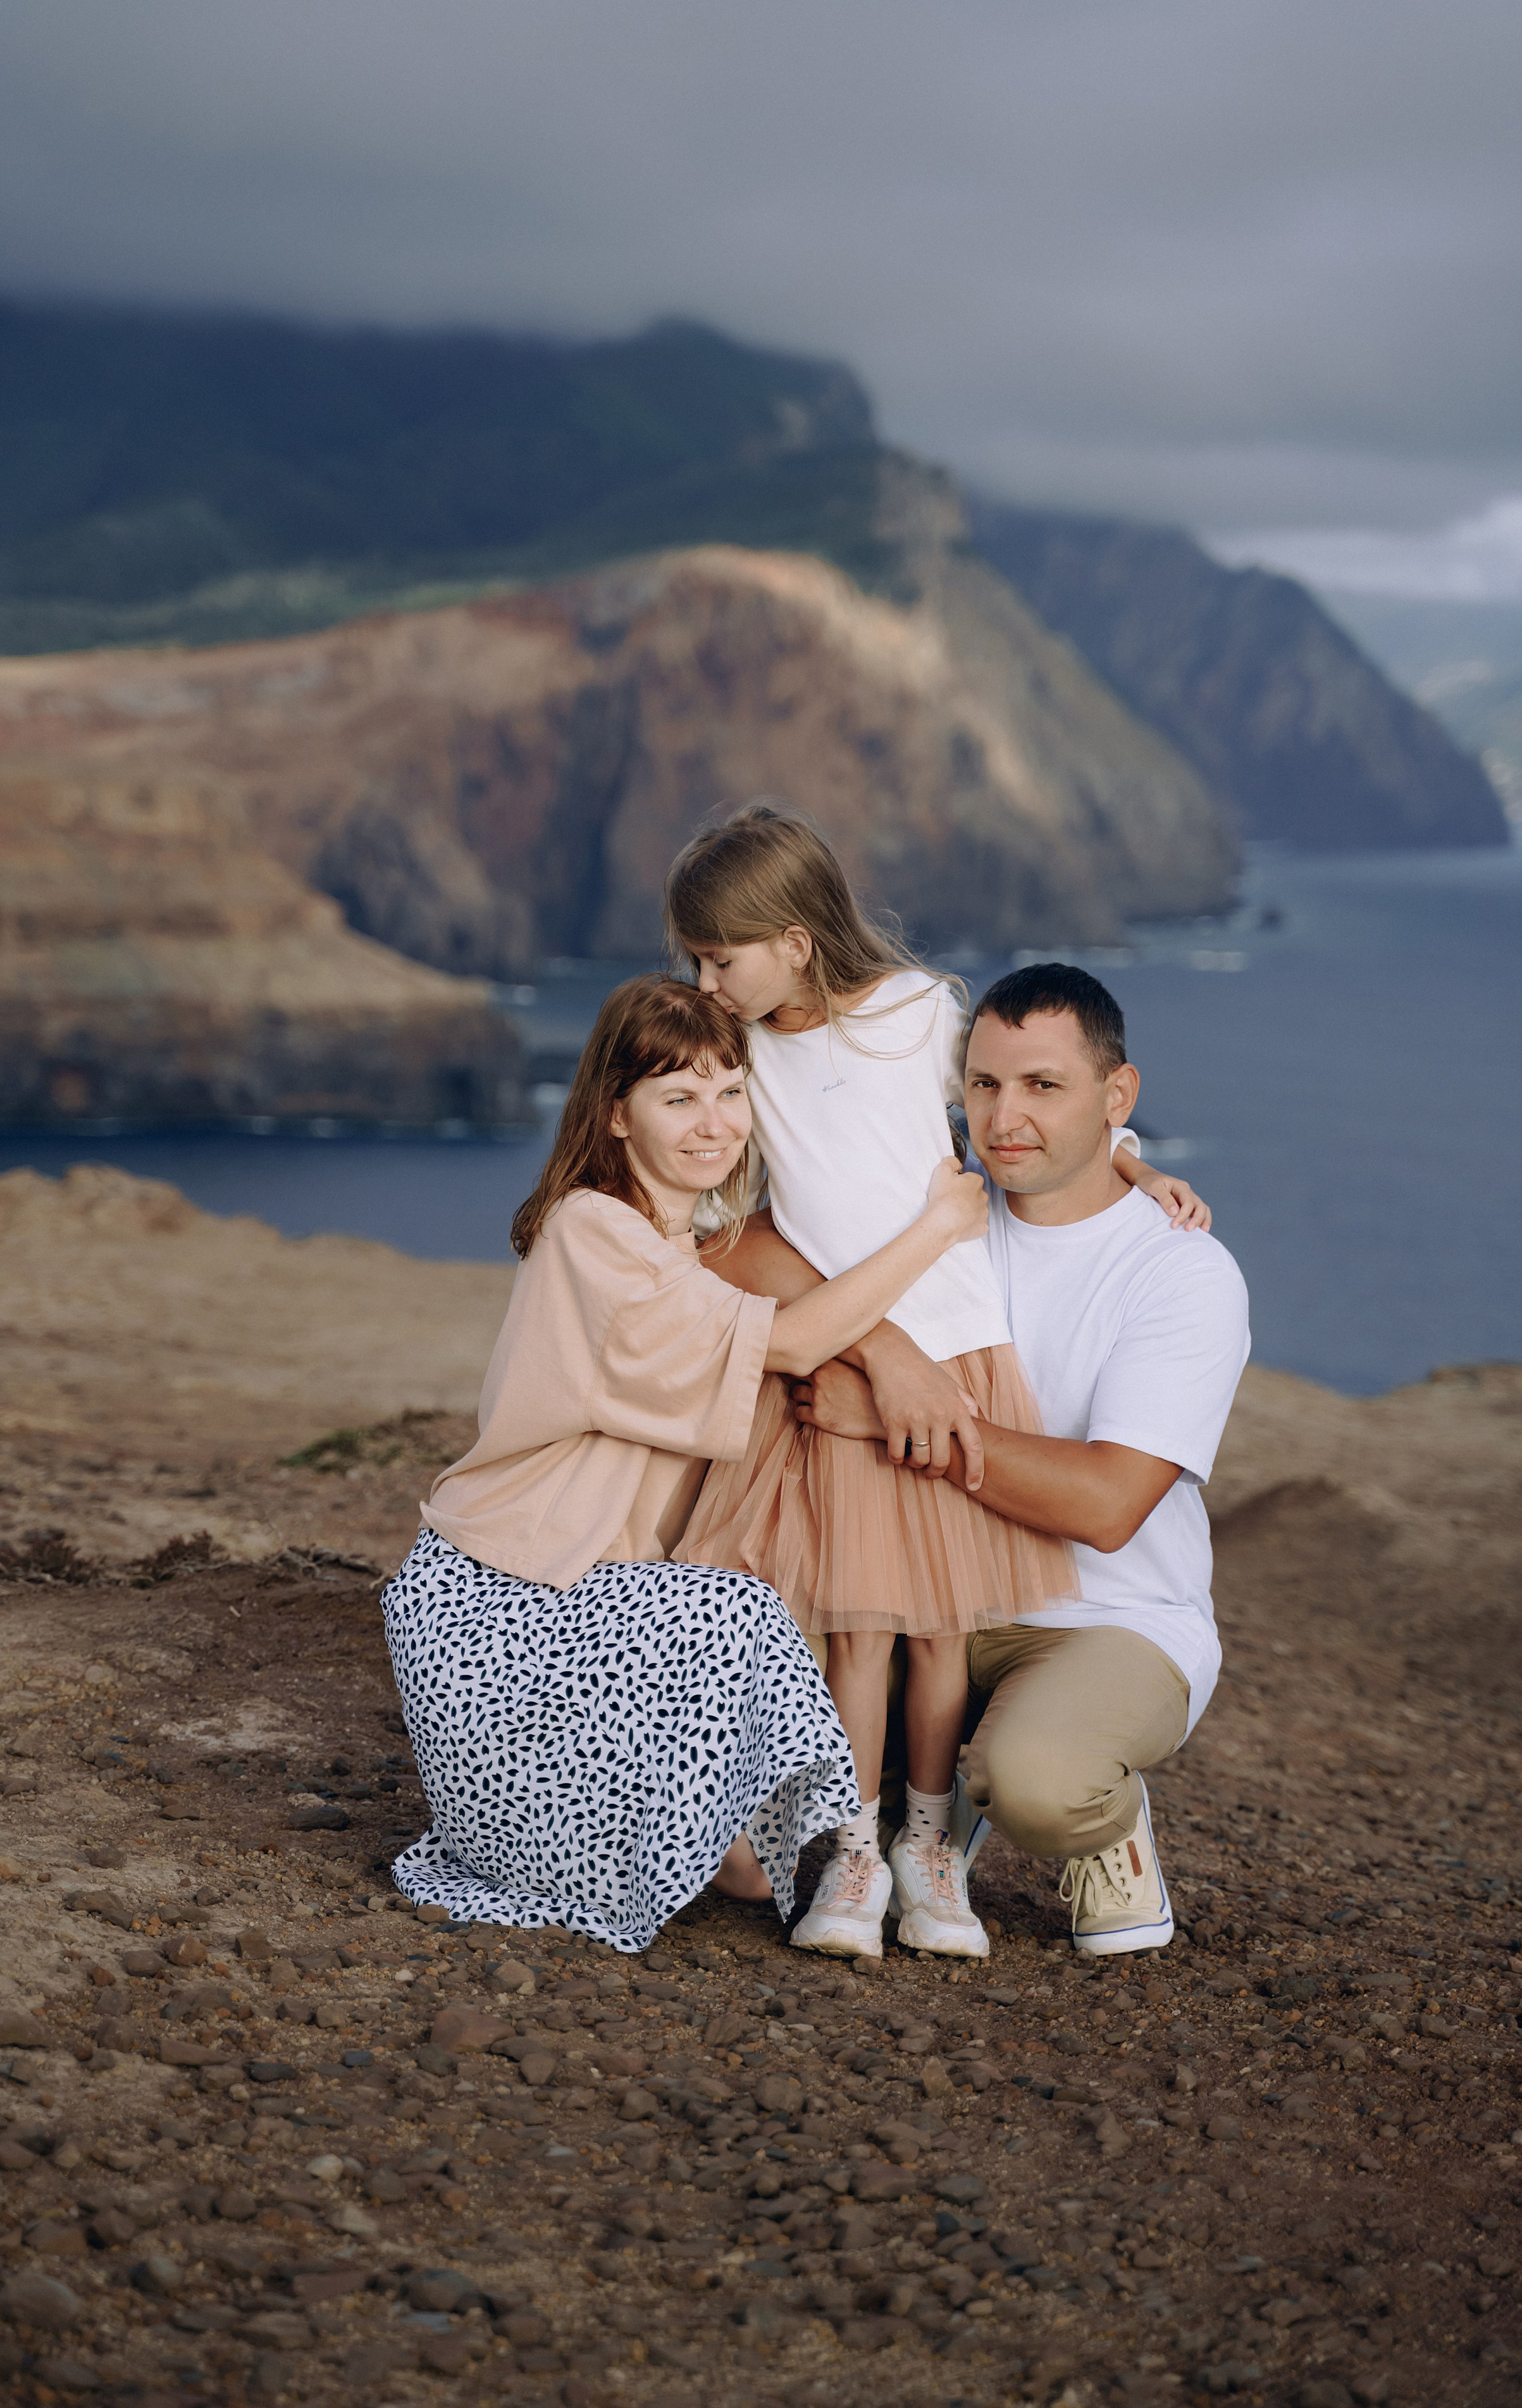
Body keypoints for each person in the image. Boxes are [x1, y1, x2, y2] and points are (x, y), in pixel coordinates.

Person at [666, 808, 1207, 1961]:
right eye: (696, 961)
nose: (704, 982)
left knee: (968, 1675)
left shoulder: (916, 1013)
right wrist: (880, 1355)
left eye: (722, 957)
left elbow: (1028, 1088)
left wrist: (1136, 1160)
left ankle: (951, 1836)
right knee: (847, 1652)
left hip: (1019, 1469)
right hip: (868, 1386)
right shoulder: (760, 1060)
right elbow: (743, 1228)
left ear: (796, 941)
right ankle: (851, 1846)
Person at [380, 973, 991, 1954]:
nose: (713, 1125)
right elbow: (789, 1342)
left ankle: (872, 1839)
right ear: (616, 1116)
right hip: (500, 1611)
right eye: (677, 1098)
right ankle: (867, 1848)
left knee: (745, 1867)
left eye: (729, 1092)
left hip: (591, 1603)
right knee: (739, 1613)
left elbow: (799, 1261)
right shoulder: (596, 1234)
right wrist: (939, 1228)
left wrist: (1124, 1163)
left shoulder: (691, 1239)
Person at [793, 962, 1251, 1955]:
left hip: (1109, 1619)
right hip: (937, 1595)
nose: (1007, 1118)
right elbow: (771, 1221)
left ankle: (1099, 1823)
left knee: (1039, 1782)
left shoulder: (1182, 1271)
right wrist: (881, 1354)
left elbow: (1107, 1505)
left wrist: (888, 1415)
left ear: (1115, 1096)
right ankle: (937, 1793)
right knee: (765, 1762)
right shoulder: (945, 1220)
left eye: (1044, 1086)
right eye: (986, 1085)